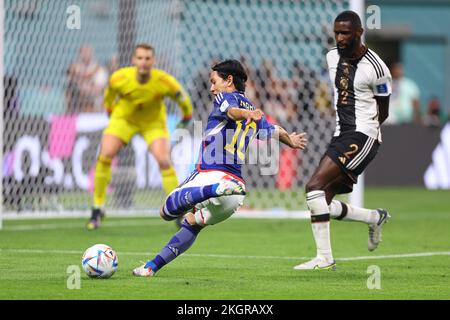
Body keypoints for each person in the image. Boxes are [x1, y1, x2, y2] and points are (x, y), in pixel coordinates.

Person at [132, 59, 307, 277]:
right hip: (235, 194)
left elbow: (231, 111)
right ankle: (151, 267)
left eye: (214, 81)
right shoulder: (252, 108)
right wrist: (290, 140)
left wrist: (245, 115)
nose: (212, 87)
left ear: (229, 80)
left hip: (211, 174)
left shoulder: (226, 97)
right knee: (192, 222)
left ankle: (213, 190)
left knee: (166, 212)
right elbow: (274, 129)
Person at [293, 11, 392, 270]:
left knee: (313, 186)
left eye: (345, 33)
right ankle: (374, 217)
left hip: (364, 134)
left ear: (359, 33)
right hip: (341, 133)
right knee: (320, 201)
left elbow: (384, 110)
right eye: (336, 32)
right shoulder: (331, 57)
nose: (339, 37)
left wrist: (366, 134)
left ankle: (324, 259)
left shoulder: (377, 68)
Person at [86, 43, 193, 230]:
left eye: (147, 58)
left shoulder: (164, 81)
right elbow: (108, 99)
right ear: (134, 60)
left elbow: (184, 102)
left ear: (154, 61)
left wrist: (185, 120)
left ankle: (177, 211)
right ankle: (98, 207)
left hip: (152, 124)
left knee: (164, 160)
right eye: (140, 58)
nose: (143, 62)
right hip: (124, 120)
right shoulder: (119, 78)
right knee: (105, 155)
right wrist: (114, 121)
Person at [66, 45, 108, 113]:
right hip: (79, 98)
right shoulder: (75, 68)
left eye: (87, 52)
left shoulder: (99, 69)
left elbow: (98, 89)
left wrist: (84, 85)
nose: (85, 54)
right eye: (83, 52)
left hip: (95, 98)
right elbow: (71, 76)